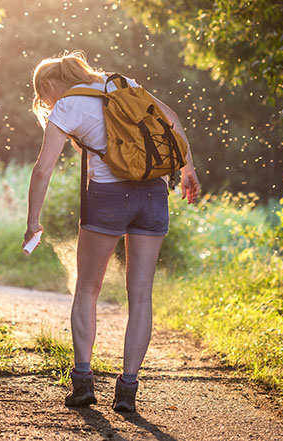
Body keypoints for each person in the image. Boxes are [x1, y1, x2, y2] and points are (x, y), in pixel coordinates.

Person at [23, 51, 200, 413]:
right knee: (141, 296)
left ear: (50, 85)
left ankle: (84, 383)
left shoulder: (68, 105)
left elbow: (43, 170)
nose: (47, 103)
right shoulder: (122, 84)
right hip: (153, 194)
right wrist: (188, 170)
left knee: (87, 288)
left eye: (44, 96)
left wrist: (32, 221)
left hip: (107, 197)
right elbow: (172, 118)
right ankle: (128, 390)